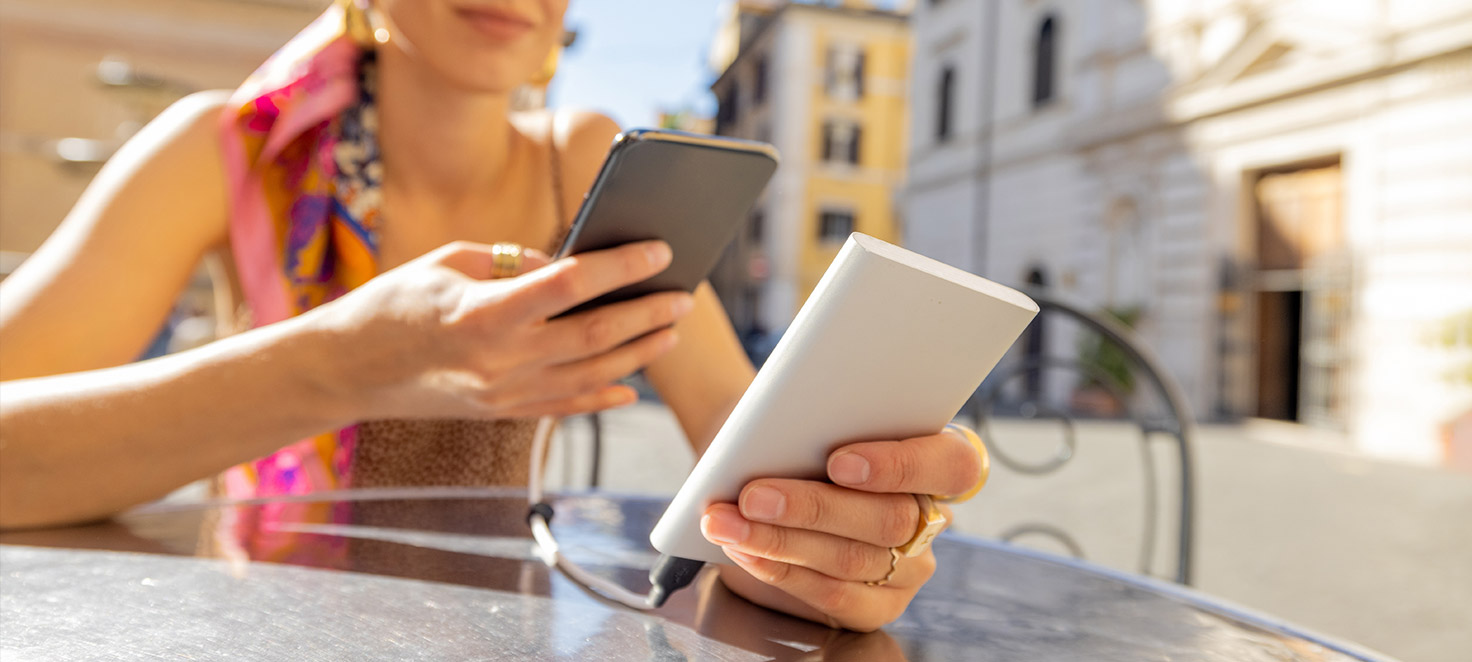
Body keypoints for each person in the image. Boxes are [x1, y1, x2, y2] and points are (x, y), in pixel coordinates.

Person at [0, 0, 986, 632]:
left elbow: (741, 466)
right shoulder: (229, 149)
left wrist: (810, 544)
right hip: (255, 626)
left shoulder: (583, 160)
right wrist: (346, 362)